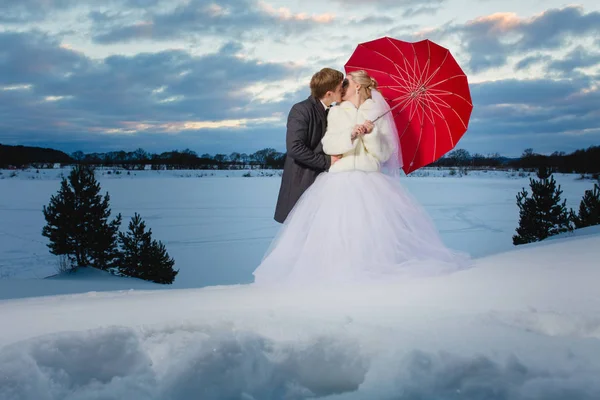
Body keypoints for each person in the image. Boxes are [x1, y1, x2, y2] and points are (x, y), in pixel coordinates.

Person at [254, 70, 471, 286]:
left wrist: (371, 133)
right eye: (342, 83)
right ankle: (333, 274)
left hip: (370, 180)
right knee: (334, 230)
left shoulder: (378, 113)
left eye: (347, 82)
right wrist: (350, 134)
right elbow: (328, 145)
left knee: (371, 231)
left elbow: (384, 154)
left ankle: (371, 275)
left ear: (358, 86)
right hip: (338, 180)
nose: (344, 85)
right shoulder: (336, 112)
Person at [273, 68, 345, 223]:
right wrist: (327, 161)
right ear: (329, 93)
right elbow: (294, 148)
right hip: (302, 182)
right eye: (340, 88)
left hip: (323, 183)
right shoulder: (301, 109)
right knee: (301, 234)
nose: (343, 91)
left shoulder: (332, 111)